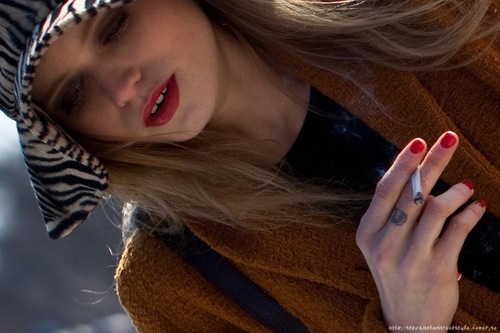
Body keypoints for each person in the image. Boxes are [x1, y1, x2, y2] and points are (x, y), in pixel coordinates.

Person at [1, 0, 499, 331]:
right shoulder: (180, 284)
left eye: (114, 27)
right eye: (75, 94)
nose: (121, 87)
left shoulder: (422, 13)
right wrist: (412, 322)